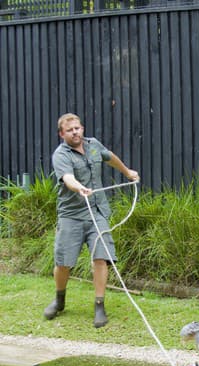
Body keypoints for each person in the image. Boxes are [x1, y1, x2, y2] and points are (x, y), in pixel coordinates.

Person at [44, 113, 139, 328]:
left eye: (77, 128)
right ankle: (59, 300)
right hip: (71, 215)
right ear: (62, 134)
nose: (75, 132)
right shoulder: (61, 155)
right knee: (63, 262)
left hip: (97, 211)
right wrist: (79, 187)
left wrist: (127, 172)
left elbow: (109, 156)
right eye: (70, 130)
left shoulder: (93, 145)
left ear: (82, 128)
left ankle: (99, 305)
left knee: (100, 258)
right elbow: (68, 178)